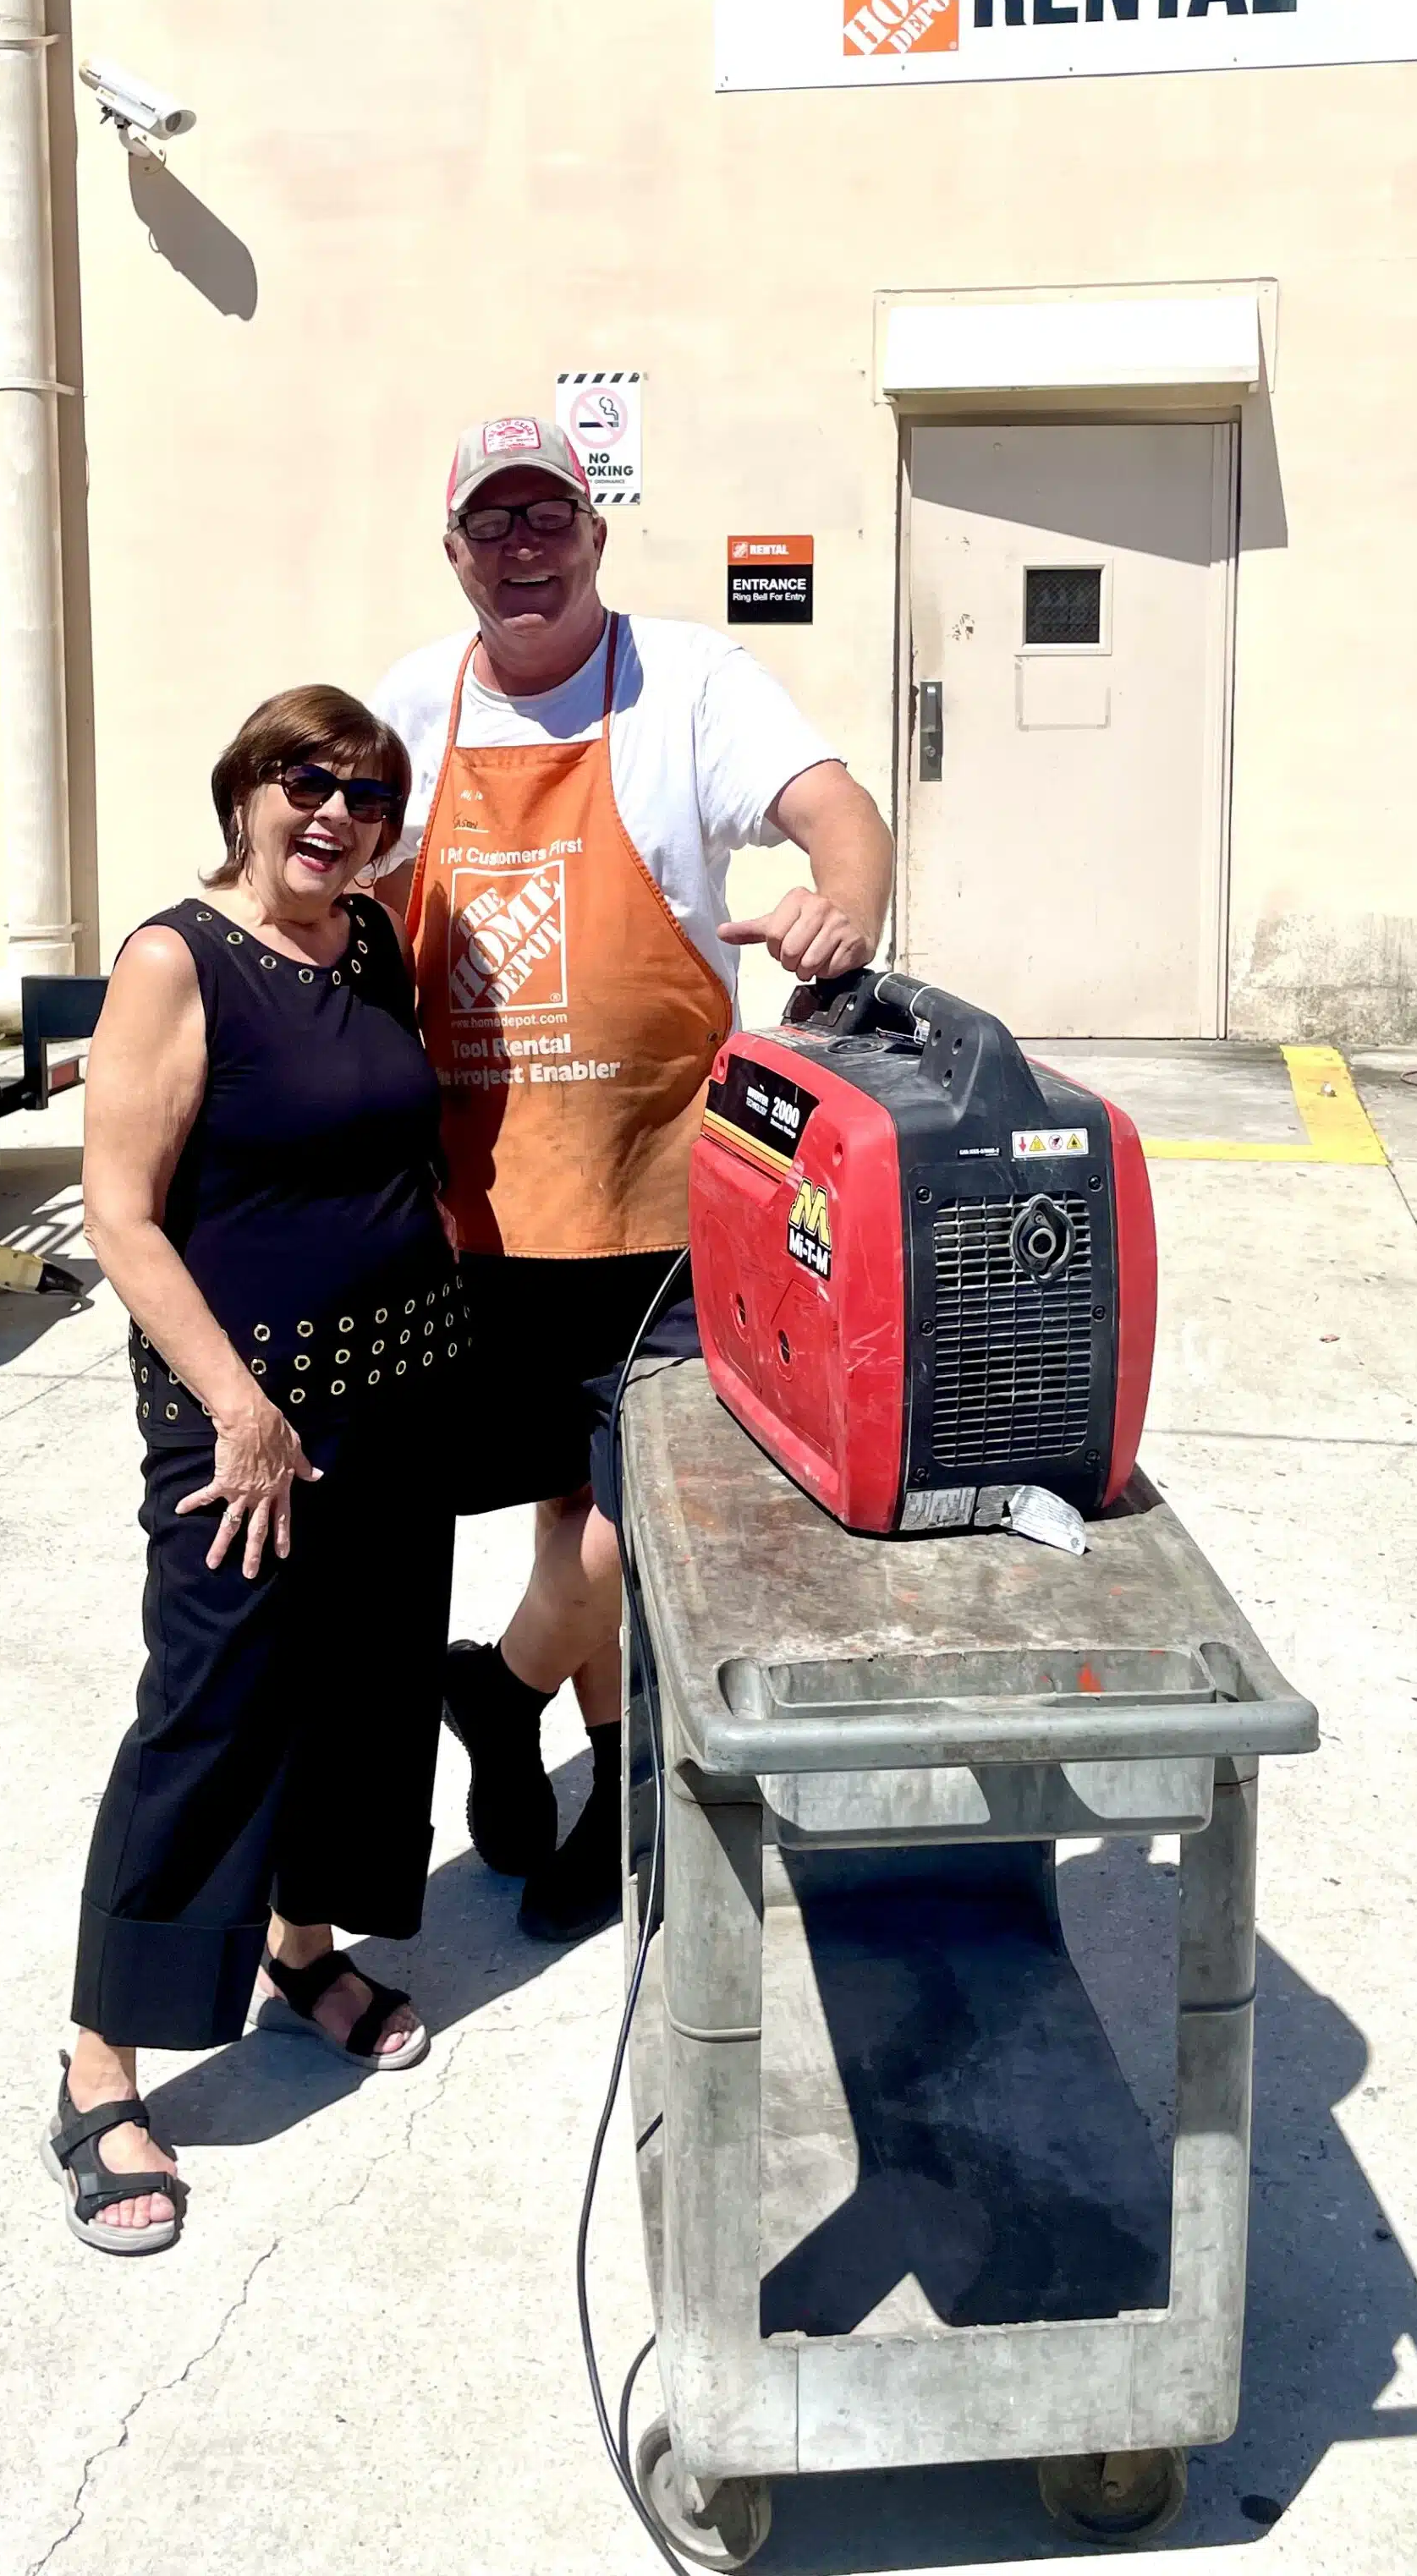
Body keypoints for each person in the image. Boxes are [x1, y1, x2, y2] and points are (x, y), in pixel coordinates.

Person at [372, 415, 892, 1944]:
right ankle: (610, 1789)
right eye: (492, 524)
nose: (523, 546)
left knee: (632, 1510)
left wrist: (839, 901)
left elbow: (836, 813)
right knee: (559, 1506)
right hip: (484, 1206)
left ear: (595, 535)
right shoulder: (413, 702)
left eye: (550, 518)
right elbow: (312, 856)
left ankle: (499, 1683)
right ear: (454, 549)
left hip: (671, 1202)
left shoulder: (693, 685)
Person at [45, 686, 464, 2253]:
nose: (334, 816)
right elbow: (122, 1212)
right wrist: (234, 1404)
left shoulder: (366, 945)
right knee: (210, 1720)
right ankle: (103, 2058)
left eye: (365, 795)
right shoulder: (176, 960)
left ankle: (302, 1949)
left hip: (396, 1406)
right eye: (307, 783)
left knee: (365, 1698)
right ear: (245, 790)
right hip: (249, 1432)